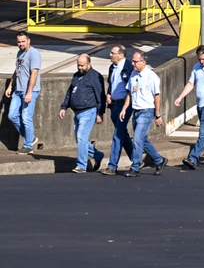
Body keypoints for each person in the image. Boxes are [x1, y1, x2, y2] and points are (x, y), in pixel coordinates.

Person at [120, 51, 166, 177]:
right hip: (136, 111)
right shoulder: (134, 74)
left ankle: (135, 166)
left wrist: (157, 115)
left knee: (138, 139)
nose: (133, 64)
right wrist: (124, 108)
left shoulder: (151, 76)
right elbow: (129, 93)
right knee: (143, 140)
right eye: (132, 61)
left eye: (135, 61)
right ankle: (159, 160)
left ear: (143, 62)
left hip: (147, 111)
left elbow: (157, 97)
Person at [58, 54, 105, 173]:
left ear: (89, 64)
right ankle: (98, 155)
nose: (79, 68)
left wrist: (100, 113)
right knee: (80, 140)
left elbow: (101, 95)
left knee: (81, 137)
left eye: (82, 66)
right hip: (77, 112)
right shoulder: (76, 76)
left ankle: (81, 165)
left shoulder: (95, 77)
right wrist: (64, 107)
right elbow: (70, 91)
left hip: (89, 111)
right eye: (78, 65)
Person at [5, 31, 42, 154]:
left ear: (28, 41)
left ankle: (28, 146)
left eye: (23, 41)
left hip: (29, 91)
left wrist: (29, 92)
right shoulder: (20, 53)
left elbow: (34, 74)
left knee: (26, 118)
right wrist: (10, 86)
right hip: (18, 90)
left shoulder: (34, 54)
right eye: (19, 42)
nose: (20, 44)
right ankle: (30, 138)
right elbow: (17, 71)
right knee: (12, 115)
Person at [101, 46, 134, 175]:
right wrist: (109, 94)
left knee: (118, 134)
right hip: (114, 105)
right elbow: (112, 83)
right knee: (122, 133)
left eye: (112, 53)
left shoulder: (128, 67)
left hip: (124, 105)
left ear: (120, 55)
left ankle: (112, 165)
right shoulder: (112, 68)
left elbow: (131, 87)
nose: (110, 55)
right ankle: (136, 159)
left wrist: (126, 106)